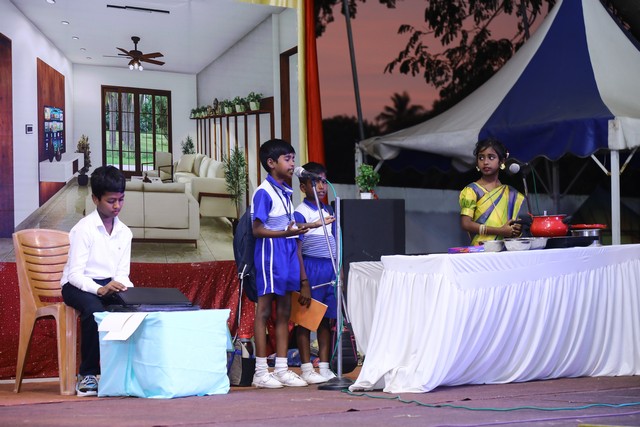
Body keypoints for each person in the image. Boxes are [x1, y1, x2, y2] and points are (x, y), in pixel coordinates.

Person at [61, 166, 134, 396]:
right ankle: (88, 374)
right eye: (111, 201)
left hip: (107, 284)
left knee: (133, 308)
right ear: (95, 199)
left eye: (121, 199)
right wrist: (100, 290)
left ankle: (123, 372)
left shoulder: (125, 232)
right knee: (94, 311)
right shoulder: (84, 229)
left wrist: (124, 289)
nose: (117, 206)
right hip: (77, 285)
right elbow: (74, 275)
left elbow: (122, 273)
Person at [251, 139, 310, 388]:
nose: (293, 163)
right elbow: (257, 230)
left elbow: (288, 226)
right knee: (264, 311)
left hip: (286, 254)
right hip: (270, 255)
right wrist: (285, 233)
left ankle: (282, 368)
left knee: (285, 312)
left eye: (293, 158)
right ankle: (260, 371)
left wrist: (309, 226)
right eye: (287, 159)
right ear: (271, 163)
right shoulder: (264, 192)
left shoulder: (286, 192)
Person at [293, 162, 338, 384]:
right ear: (303, 188)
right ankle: (306, 368)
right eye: (315, 182)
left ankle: (325, 366)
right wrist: (304, 281)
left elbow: (335, 241)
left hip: (330, 267)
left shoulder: (329, 210)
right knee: (306, 320)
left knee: (326, 321)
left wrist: (338, 269)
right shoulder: (300, 213)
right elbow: (298, 249)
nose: (321, 186)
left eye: (323, 181)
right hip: (311, 267)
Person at [460, 138, 525, 245]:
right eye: (481, 158)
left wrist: (515, 230)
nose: (485, 162)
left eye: (491, 157)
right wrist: (500, 231)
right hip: (480, 249)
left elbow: (514, 226)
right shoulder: (471, 190)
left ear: (502, 161)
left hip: (506, 249)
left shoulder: (511, 193)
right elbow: (466, 224)